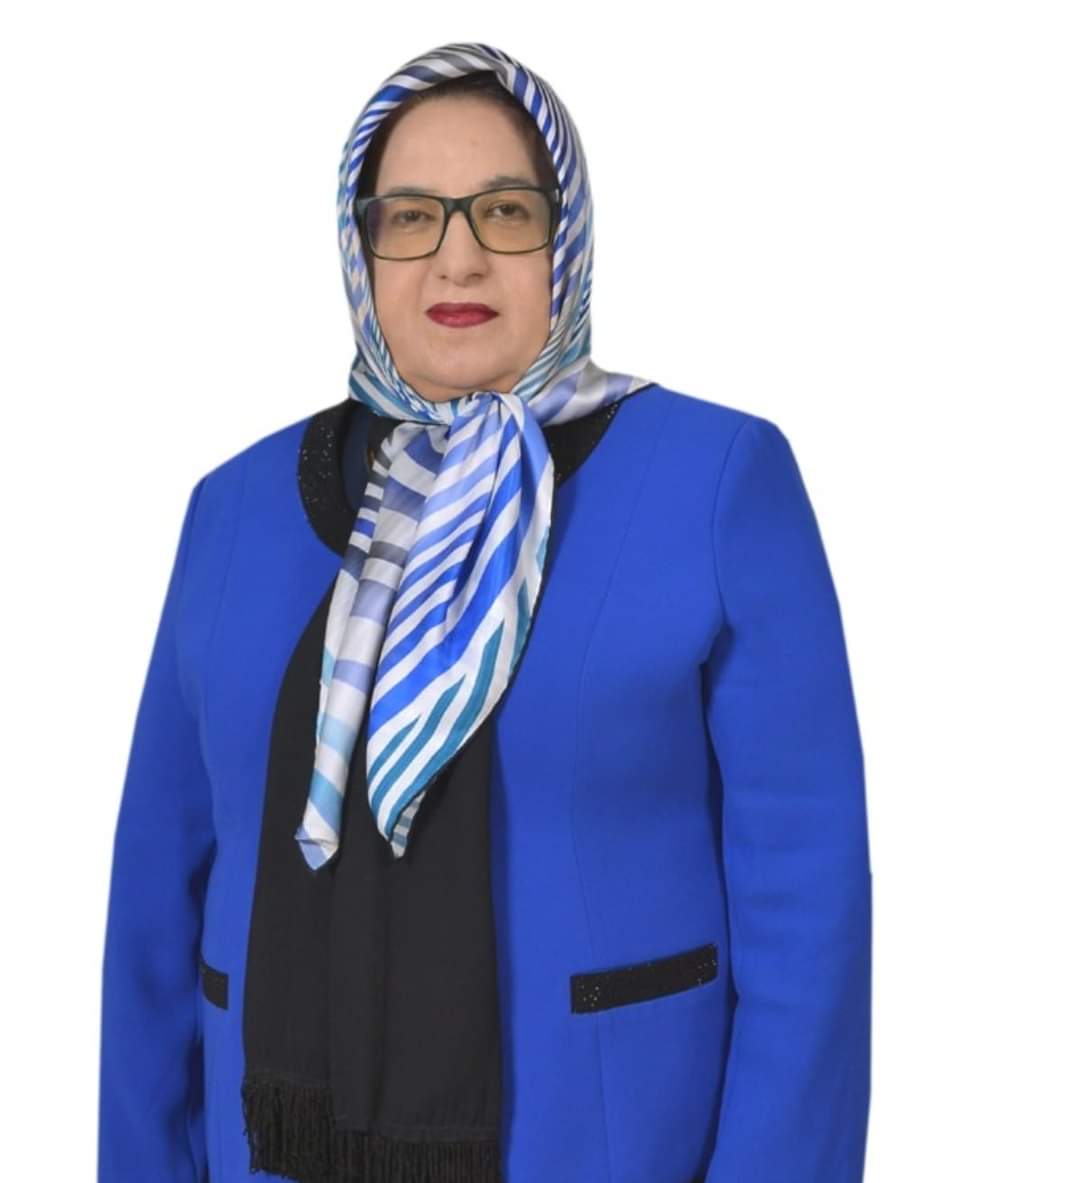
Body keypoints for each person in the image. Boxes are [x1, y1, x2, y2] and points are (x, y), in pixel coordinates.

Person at [97, 41, 872, 1183]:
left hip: (599, 1149)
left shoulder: (714, 480)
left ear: (566, 240)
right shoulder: (233, 508)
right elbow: (153, 908)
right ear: (361, 249)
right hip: (271, 1151)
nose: (457, 257)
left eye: (505, 212)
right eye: (411, 218)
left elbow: (809, 913)